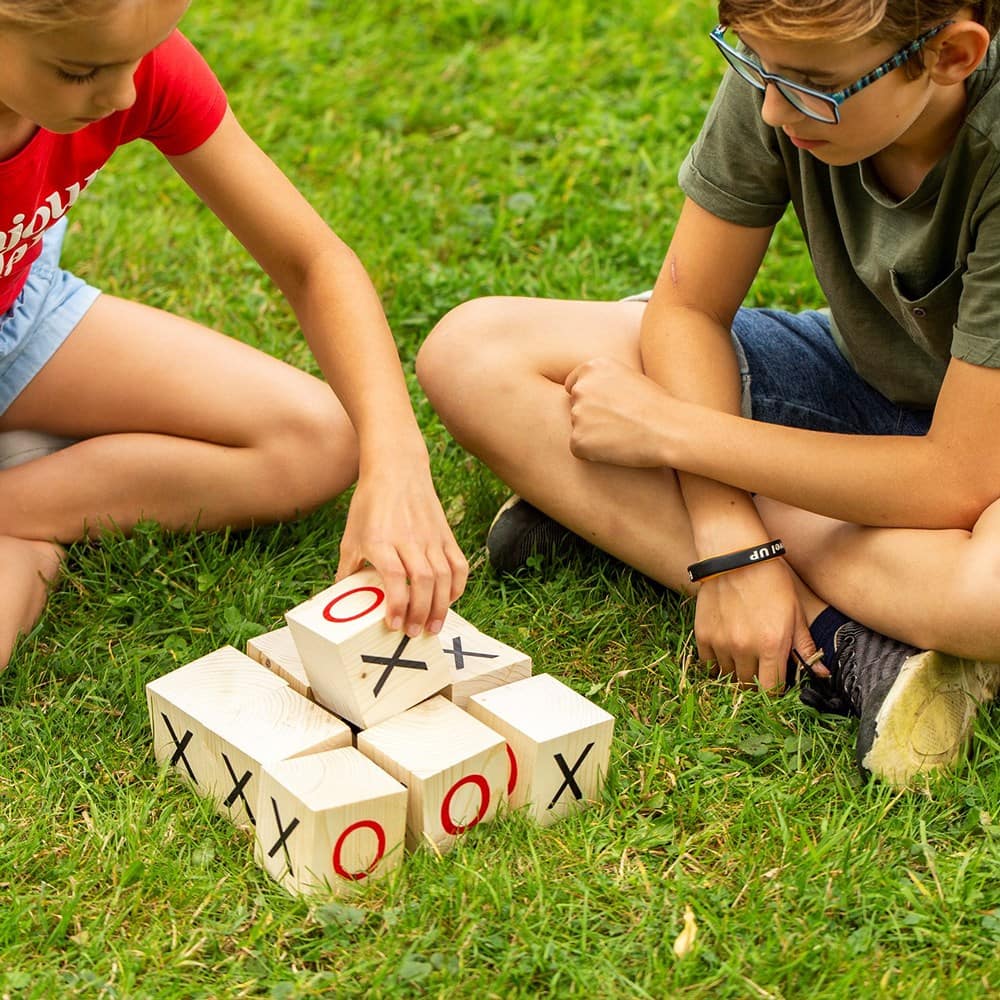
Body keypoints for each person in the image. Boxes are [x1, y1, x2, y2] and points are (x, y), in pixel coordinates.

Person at [416, 0, 1000, 786]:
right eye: (754, 64)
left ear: (953, 56)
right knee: (472, 352)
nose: (771, 106)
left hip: (978, 459)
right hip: (857, 380)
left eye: (816, 87)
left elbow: (959, 476)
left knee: (987, 597)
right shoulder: (789, 65)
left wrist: (674, 440)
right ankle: (846, 640)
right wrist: (730, 543)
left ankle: (623, 510)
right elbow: (687, 309)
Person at [0, 0, 468, 672]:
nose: (124, 93)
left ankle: (18, 502)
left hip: (23, 316)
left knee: (320, 439)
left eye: (141, 54)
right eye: (82, 71)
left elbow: (313, 263)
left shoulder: (124, 60)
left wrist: (396, 461)